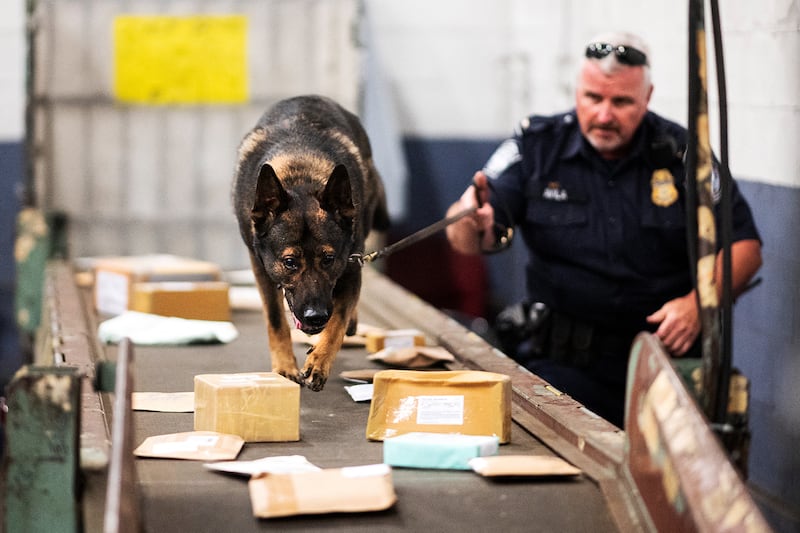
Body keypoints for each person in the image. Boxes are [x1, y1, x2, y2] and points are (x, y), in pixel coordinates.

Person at [445, 31, 762, 428]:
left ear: (646, 99)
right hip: (561, 370)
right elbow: (471, 234)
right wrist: (470, 220)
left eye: (622, 101)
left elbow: (745, 246)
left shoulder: (685, 155)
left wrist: (700, 303)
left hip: (663, 370)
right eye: (593, 98)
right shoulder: (538, 146)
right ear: (577, 92)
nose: (604, 115)